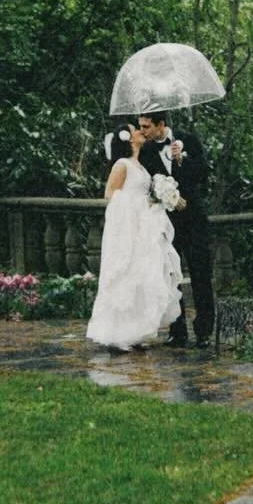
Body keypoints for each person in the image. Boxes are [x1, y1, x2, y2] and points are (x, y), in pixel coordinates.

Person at [85, 125, 183, 351]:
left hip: (143, 227)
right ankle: (117, 334)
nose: (140, 132)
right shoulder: (122, 165)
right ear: (128, 139)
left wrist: (158, 196)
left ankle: (135, 332)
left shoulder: (139, 164)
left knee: (140, 276)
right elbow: (110, 194)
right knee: (124, 275)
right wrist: (137, 204)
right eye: (135, 130)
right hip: (128, 228)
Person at [136, 111, 214, 348]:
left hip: (194, 220)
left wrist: (181, 160)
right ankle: (177, 330)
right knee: (170, 276)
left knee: (200, 274)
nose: (142, 131)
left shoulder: (188, 140)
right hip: (166, 223)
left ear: (161, 124)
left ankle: (203, 331)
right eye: (140, 126)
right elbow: (146, 185)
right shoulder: (146, 151)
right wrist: (164, 195)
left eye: (146, 126)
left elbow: (203, 173)